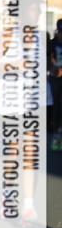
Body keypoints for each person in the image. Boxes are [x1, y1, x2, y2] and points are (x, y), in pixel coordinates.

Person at [49, 19, 62, 150]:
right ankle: (56, 135)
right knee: (57, 107)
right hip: (55, 78)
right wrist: (53, 67)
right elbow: (48, 58)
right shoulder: (52, 43)